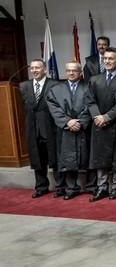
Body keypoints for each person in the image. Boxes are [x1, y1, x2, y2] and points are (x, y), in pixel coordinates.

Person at [19, 59, 64, 197]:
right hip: (33, 129)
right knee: (37, 159)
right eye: (32, 68)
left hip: (50, 128)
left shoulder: (55, 84)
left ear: (44, 69)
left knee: (55, 159)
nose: (34, 70)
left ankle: (60, 187)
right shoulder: (24, 86)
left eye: (37, 68)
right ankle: (41, 187)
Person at [46, 62, 91, 200]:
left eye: (74, 70)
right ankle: (71, 188)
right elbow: (54, 108)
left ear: (80, 73)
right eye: (68, 71)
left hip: (83, 129)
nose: (71, 73)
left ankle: (92, 187)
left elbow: (91, 105)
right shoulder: (56, 89)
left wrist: (80, 122)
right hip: (65, 130)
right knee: (68, 159)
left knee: (88, 157)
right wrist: (68, 122)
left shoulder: (88, 87)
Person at [85, 47, 116, 201]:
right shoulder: (95, 79)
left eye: (111, 58)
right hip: (98, 124)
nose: (107, 61)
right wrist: (97, 117)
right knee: (99, 156)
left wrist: (107, 117)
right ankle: (102, 187)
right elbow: (89, 100)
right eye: (105, 58)